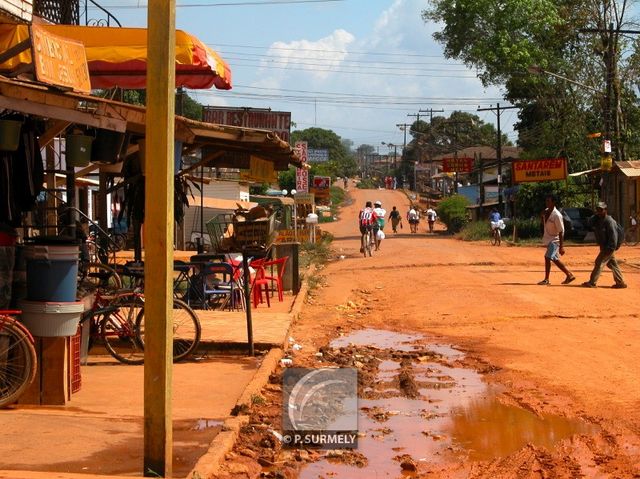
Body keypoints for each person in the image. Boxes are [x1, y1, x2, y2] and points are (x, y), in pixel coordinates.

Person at [582, 202, 627, 288]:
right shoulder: (598, 219)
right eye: (598, 210)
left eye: (601, 210)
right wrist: (595, 216)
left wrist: (611, 247)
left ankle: (592, 282)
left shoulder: (610, 221)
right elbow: (589, 224)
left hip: (609, 247)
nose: (599, 211)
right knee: (612, 264)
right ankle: (620, 282)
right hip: (604, 246)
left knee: (599, 262)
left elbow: (614, 236)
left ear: (606, 210)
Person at [538, 195, 575, 286]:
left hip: (555, 240)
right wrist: (542, 216)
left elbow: (561, 231)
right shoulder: (546, 212)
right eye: (546, 201)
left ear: (553, 203)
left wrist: (561, 246)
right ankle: (569, 275)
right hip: (549, 239)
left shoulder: (557, 215)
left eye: (549, 201)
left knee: (547, 257)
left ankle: (546, 279)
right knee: (554, 259)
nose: (547, 203)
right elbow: (543, 224)